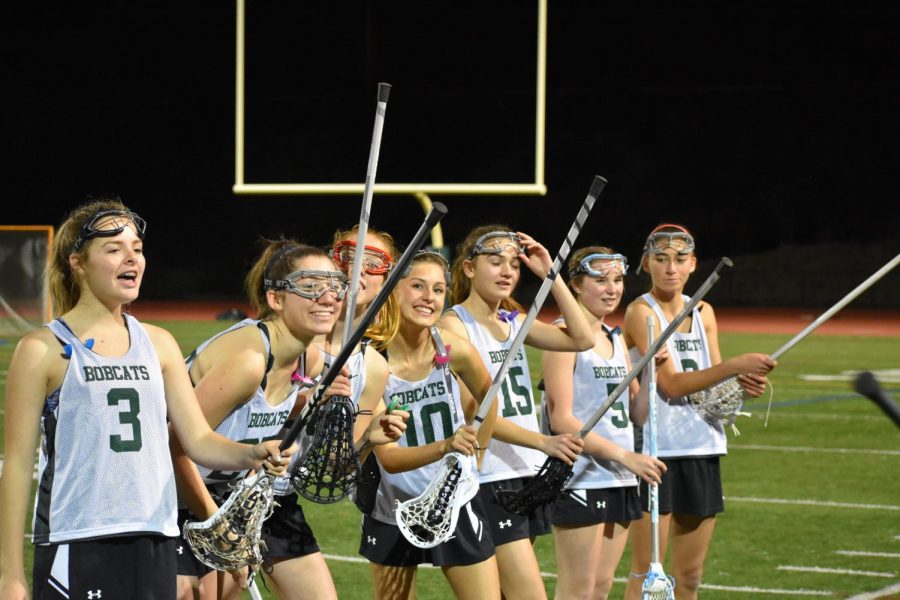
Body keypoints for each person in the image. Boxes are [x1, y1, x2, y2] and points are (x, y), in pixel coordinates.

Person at [0, 199, 295, 600]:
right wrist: (10, 575)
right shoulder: (43, 349)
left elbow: (198, 440)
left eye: (137, 248)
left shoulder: (159, 344)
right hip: (77, 539)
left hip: (155, 537)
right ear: (78, 263)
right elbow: (17, 466)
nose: (132, 258)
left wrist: (253, 453)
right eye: (114, 249)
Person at [171, 239, 407, 600]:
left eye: (333, 286)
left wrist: (361, 434)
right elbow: (175, 446)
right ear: (275, 299)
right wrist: (216, 522)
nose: (327, 297)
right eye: (310, 287)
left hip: (235, 496)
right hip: (171, 499)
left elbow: (262, 414)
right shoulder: (251, 359)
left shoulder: (308, 361)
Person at [440, 226, 595, 600]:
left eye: (513, 264)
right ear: (469, 268)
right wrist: (544, 441)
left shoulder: (512, 321)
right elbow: (474, 415)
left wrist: (550, 274)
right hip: (488, 476)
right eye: (494, 262)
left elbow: (582, 338)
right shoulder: (453, 325)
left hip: (522, 470)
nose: (507, 271)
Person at [621, 224, 776, 600]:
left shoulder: (704, 311)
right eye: (660, 259)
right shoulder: (642, 312)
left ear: (693, 265)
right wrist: (734, 367)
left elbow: (714, 382)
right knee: (648, 576)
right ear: (646, 264)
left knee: (688, 577)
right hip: (657, 454)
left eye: (678, 260)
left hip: (702, 447)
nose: (670, 268)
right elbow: (671, 384)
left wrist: (741, 386)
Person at [541, 247, 667, 599]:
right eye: (600, 280)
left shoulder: (616, 338)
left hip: (619, 476)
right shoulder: (562, 335)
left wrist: (648, 370)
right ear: (577, 286)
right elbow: (561, 419)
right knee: (577, 589)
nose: (612, 289)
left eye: (617, 280)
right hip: (581, 476)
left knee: (600, 587)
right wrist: (625, 456)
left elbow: (636, 414)